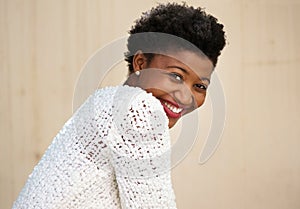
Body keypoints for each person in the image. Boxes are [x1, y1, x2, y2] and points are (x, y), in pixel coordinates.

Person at [12, 2, 226, 208]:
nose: (186, 96)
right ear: (140, 63)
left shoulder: (107, 100)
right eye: (176, 76)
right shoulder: (140, 110)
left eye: (199, 86)